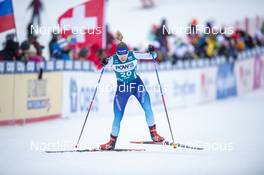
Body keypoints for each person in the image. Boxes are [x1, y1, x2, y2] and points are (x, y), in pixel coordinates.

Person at [99, 32, 164, 150]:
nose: (123, 58)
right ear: (116, 54)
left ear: (127, 52)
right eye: (120, 55)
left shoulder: (133, 54)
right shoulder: (113, 59)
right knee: (117, 116)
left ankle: (154, 135)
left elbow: (153, 56)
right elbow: (100, 66)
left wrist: (152, 51)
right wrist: (103, 62)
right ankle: (111, 143)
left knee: (148, 107)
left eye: (124, 55)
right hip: (122, 89)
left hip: (136, 85)